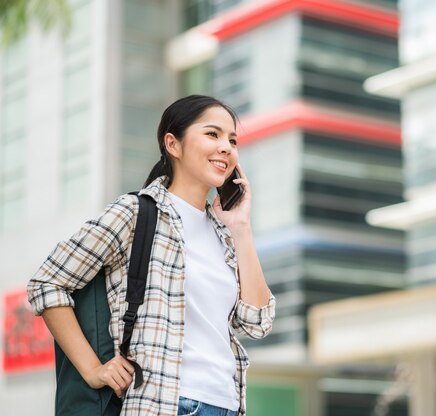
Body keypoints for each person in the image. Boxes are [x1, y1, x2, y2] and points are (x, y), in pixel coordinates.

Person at [27, 95, 276, 416]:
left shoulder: (224, 235)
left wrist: (241, 227)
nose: (226, 147)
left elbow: (256, 322)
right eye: (212, 134)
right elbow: (47, 284)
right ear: (173, 144)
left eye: (232, 140)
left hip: (227, 403)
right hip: (167, 403)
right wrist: (93, 368)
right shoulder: (136, 213)